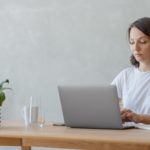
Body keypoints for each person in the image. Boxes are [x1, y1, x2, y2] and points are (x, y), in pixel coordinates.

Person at [112, 17, 150, 124]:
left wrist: (140, 118)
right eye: (132, 42)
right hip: (128, 138)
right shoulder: (125, 75)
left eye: (142, 42)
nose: (136, 48)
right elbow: (103, 105)